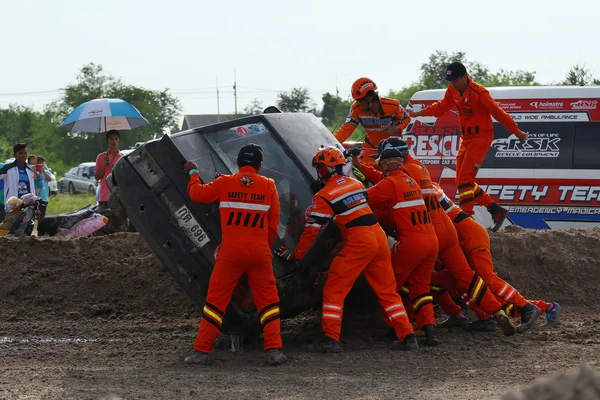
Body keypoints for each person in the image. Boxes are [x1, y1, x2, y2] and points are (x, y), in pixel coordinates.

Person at [354, 138, 517, 337]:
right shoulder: (419, 169)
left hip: (424, 231)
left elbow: (383, 185)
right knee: (465, 276)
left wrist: (358, 168)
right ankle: (495, 310)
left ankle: (409, 325)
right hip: (445, 228)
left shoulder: (401, 175)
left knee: (406, 282)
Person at [274, 146, 418, 352]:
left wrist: (295, 254)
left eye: (320, 169)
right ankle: (408, 335)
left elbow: (311, 231)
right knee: (387, 291)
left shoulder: (323, 196)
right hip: (378, 236)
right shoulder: (355, 183)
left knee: (334, 288)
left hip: (359, 241)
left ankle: (331, 339)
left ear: (324, 170)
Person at [183, 144, 286, 366]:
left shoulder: (225, 182)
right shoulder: (269, 185)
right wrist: (260, 247)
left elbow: (197, 194)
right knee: (268, 302)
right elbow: (273, 226)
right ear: (259, 166)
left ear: (238, 163)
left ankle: (201, 352)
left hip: (230, 252)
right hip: (259, 252)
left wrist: (193, 173)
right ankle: (274, 351)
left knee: (216, 302)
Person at [407, 62, 529, 231]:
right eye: (450, 81)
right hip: (466, 139)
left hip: (481, 137)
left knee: (464, 179)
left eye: (454, 80)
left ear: (464, 76)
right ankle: (495, 209)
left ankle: (467, 218)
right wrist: (418, 113)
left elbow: (500, 114)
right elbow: (442, 106)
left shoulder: (480, 93)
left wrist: (517, 133)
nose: (452, 84)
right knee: (461, 180)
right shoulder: (453, 90)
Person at [432, 182, 557, 333]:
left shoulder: (424, 188)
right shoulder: (428, 184)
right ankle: (480, 316)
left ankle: (529, 307)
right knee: (463, 281)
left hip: (469, 235)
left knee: (486, 278)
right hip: (463, 236)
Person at [364, 147, 441, 346]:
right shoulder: (410, 181)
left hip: (411, 243)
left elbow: (363, 199)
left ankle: (399, 331)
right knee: (421, 288)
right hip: (432, 241)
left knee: (389, 287)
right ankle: (430, 331)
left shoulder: (390, 183)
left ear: (385, 165)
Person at [334, 77, 411, 165]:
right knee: (359, 170)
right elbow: (346, 128)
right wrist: (331, 142)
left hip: (392, 149)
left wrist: (397, 128)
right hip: (369, 148)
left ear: (370, 97)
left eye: (360, 100)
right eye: (357, 100)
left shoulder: (393, 105)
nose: (358, 103)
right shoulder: (356, 108)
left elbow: (408, 119)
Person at [94, 130, 123, 210]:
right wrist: (104, 165)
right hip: (104, 198)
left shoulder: (123, 158)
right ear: (107, 141)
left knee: (120, 222)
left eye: (116, 139)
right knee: (104, 221)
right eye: (111, 139)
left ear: (118, 141)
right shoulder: (101, 157)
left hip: (119, 198)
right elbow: (97, 177)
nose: (113, 141)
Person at [34, 156, 54, 220]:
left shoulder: (46, 171)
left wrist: (43, 172)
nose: (41, 164)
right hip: (34, 196)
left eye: (43, 162)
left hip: (44, 196)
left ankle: (40, 229)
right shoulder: (32, 171)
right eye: (39, 162)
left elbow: (49, 179)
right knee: (32, 215)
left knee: (42, 216)